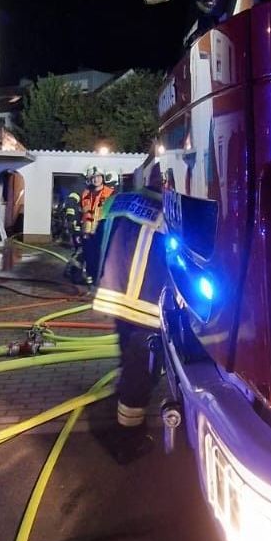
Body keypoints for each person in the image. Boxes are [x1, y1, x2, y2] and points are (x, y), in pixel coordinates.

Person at [91, 160, 167, 427]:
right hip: (145, 305)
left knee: (127, 352)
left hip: (112, 295)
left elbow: (95, 242)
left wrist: (96, 280)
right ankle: (129, 428)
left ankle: (126, 394)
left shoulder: (118, 202)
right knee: (141, 364)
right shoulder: (167, 210)